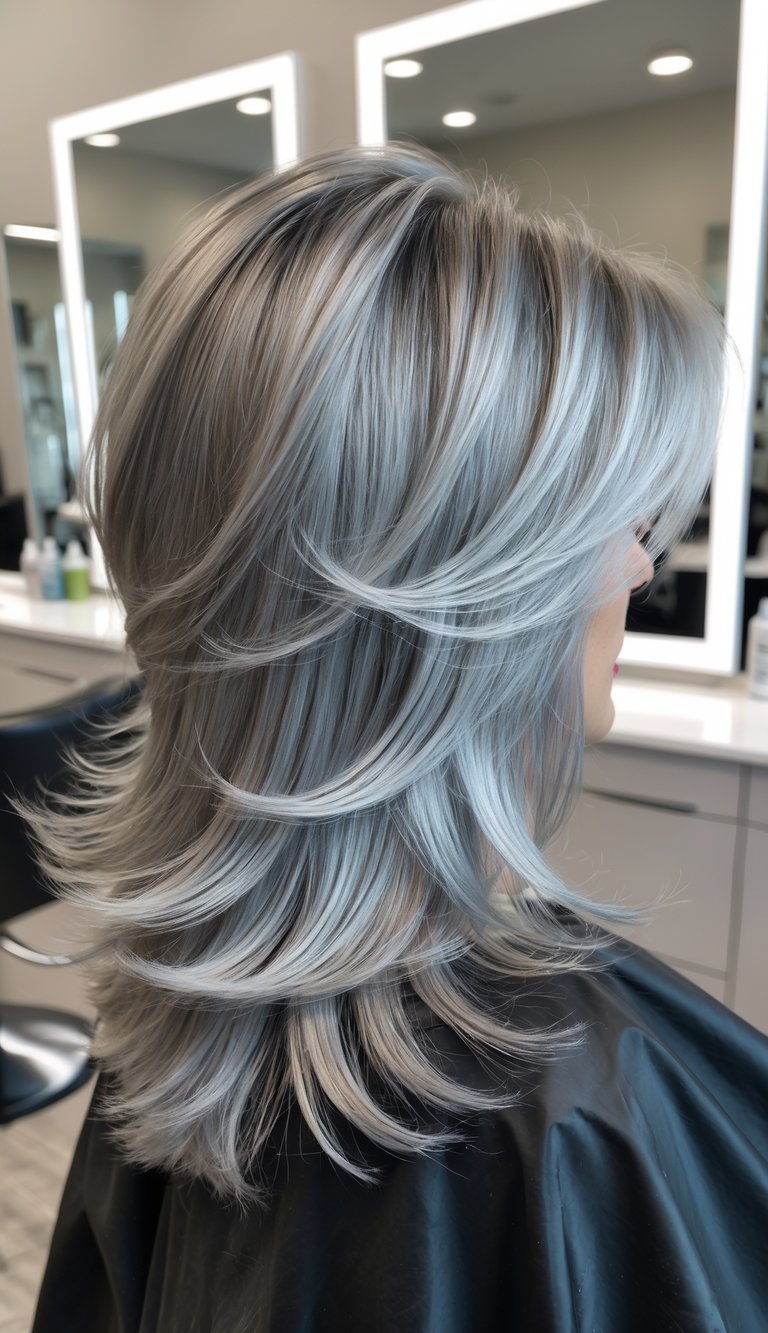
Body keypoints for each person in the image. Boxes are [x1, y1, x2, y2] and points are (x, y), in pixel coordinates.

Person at [22, 144, 767, 1332]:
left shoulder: (183, 1006)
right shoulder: (585, 1121)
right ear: (459, 599)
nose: (640, 560)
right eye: (611, 520)